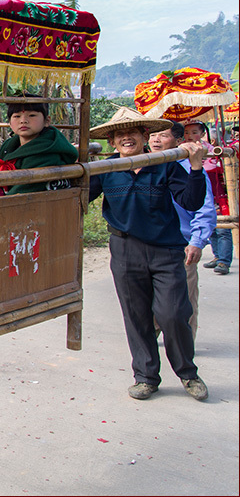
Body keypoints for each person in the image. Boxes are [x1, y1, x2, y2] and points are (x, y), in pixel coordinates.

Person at [89, 107, 209, 401]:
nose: (126, 138)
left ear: (145, 136)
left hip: (166, 251)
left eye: (132, 132)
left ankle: (188, 373)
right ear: (112, 141)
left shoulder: (165, 164)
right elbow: (75, 196)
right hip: (125, 250)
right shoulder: (106, 168)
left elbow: (192, 202)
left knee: (174, 314)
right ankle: (145, 377)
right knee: (136, 315)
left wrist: (195, 168)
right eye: (119, 134)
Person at [148, 121, 217, 341]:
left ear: (179, 141)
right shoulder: (144, 165)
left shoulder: (190, 169)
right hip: (149, 245)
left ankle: (185, 344)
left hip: (181, 244)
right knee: (149, 298)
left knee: (182, 299)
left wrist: (196, 241)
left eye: (163, 135)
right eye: (153, 135)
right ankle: (150, 339)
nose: (156, 140)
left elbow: (205, 209)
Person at [0, 92, 80, 194]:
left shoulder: (47, 152)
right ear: (10, 123)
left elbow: (21, 192)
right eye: (17, 116)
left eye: (32, 115)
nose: (23, 120)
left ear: (47, 121)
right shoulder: (9, 145)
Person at [185, 121, 234, 276]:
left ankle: (224, 261)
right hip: (198, 193)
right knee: (210, 229)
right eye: (186, 133)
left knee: (222, 229)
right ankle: (217, 255)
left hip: (216, 194)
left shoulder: (211, 150)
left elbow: (216, 168)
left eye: (194, 132)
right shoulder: (181, 152)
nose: (190, 136)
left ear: (202, 134)